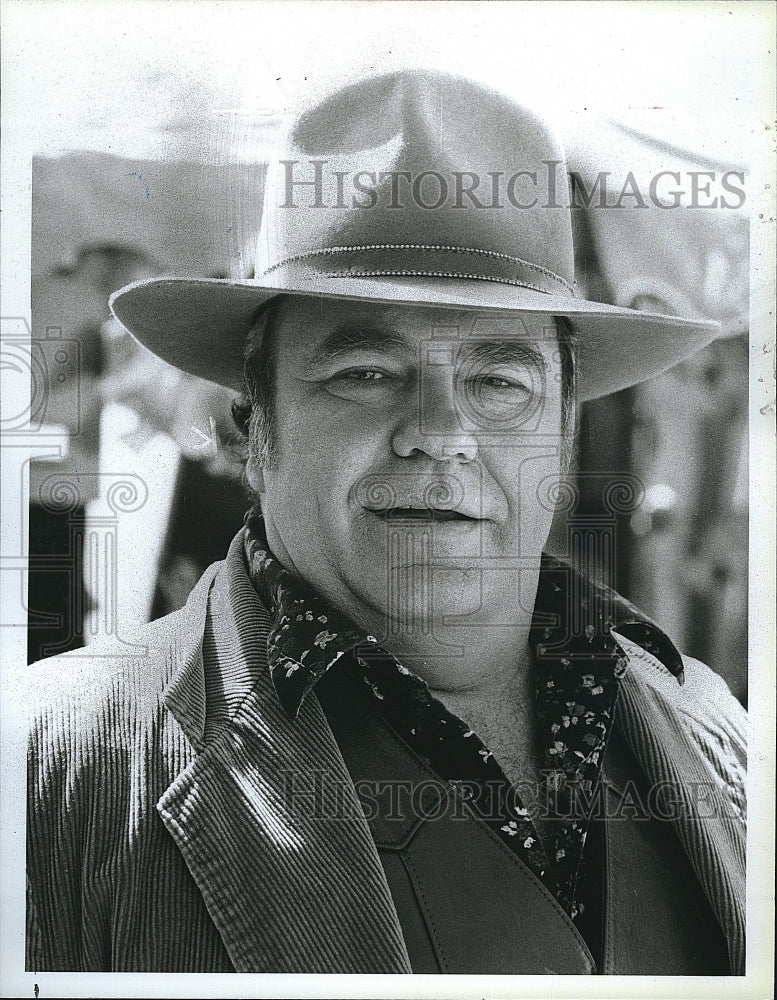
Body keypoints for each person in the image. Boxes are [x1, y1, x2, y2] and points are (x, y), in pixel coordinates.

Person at [25, 70, 746, 976]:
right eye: (364, 372)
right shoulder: (47, 772)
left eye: (498, 381)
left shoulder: (719, 734)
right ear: (256, 426)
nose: (441, 434)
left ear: (562, 430)